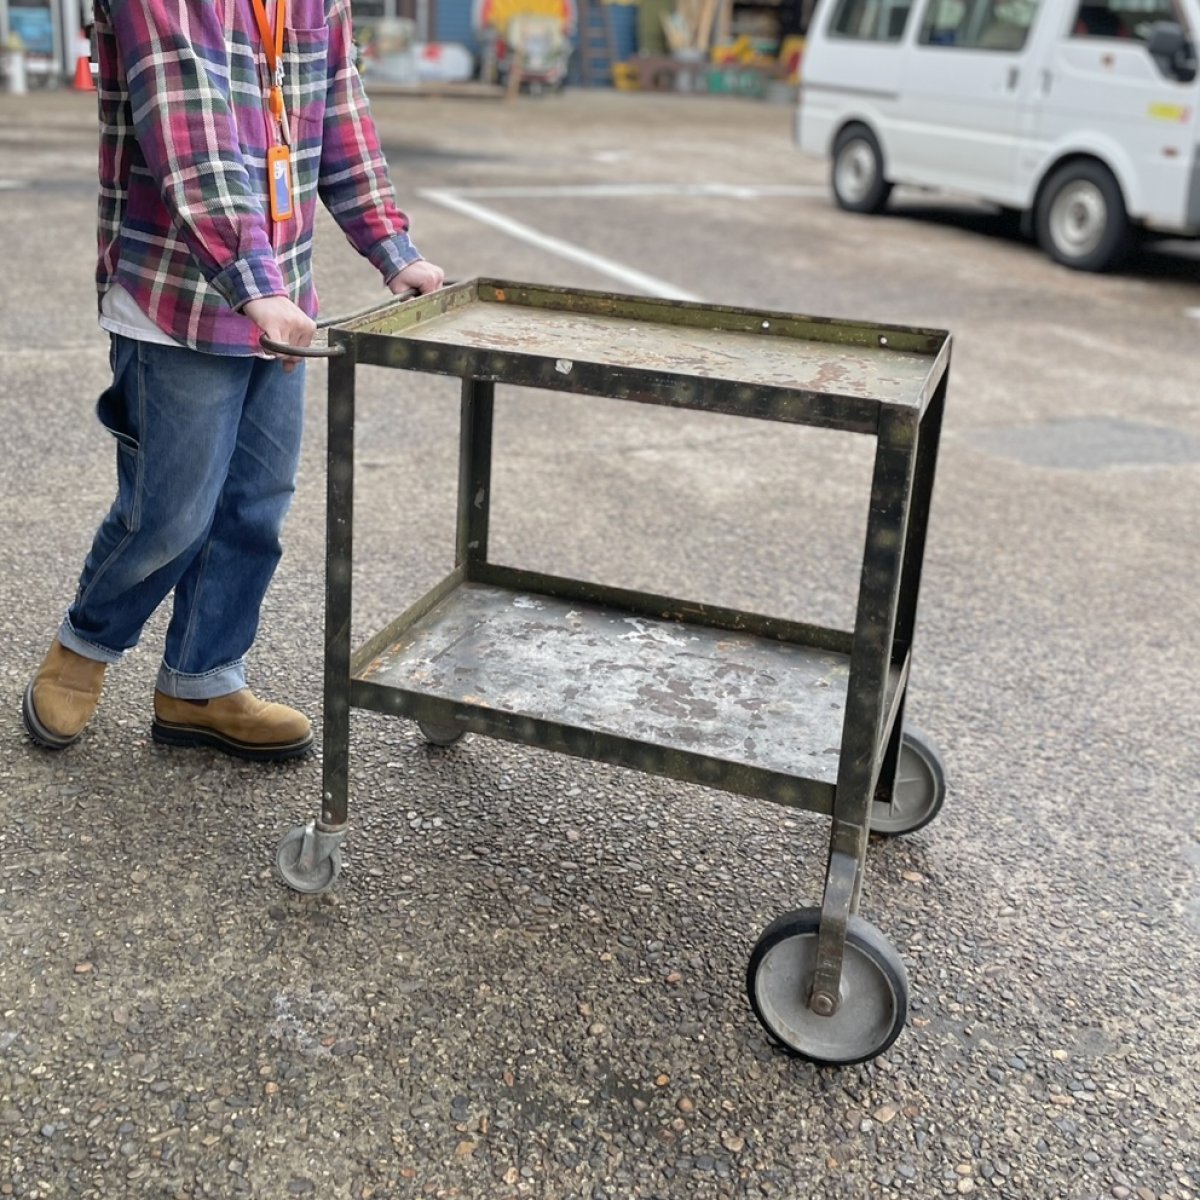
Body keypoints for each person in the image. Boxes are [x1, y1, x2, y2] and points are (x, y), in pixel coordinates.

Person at [22, 0, 444, 762]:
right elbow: (190, 132)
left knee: (254, 506)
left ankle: (200, 683)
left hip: (281, 298)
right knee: (170, 513)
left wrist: (391, 245)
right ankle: (84, 647)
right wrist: (254, 285)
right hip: (177, 293)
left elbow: (339, 110)